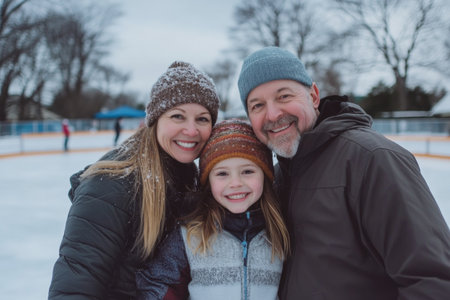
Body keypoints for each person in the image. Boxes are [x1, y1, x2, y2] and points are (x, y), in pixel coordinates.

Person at [237, 46, 450, 299]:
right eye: (257, 105)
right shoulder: (275, 179)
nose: (273, 114)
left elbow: (433, 280)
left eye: (284, 96)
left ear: (313, 96)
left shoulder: (372, 160)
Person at [48, 61, 220, 299]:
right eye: (178, 116)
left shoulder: (189, 179)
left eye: (202, 119)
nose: (191, 130)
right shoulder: (111, 186)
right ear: (155, 120)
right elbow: (74, 287)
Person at [136, 119, 290, 300]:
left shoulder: (279, 233)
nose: (235, 183)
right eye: (222, 174)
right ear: (208, 181)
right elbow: (159, 284)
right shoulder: (189, 235)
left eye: (247, 171)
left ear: (265, 175)